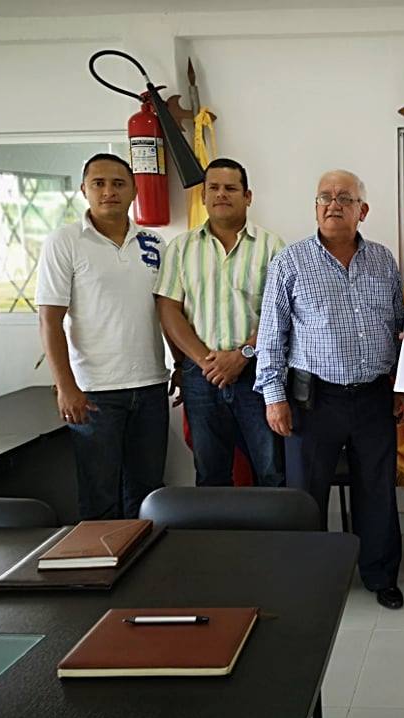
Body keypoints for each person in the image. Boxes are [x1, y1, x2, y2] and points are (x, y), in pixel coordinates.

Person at [255, 169, 404, 610]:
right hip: (312, 400)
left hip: (374, 396)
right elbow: (271, 335)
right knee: (306, 495)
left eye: (345, 197)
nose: (334, 204)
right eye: (325, 197)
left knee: (377, 490)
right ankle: (307, 579)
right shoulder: (290, 262)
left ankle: (380, 575)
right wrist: (274, 397)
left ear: (363, 210)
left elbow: (399, 327)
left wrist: (401, 385)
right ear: (315, 207)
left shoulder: (383, 261)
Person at [36, 153, 169, 520]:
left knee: (148, 495)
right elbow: (49, 321)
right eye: (99, 183)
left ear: (134, 190)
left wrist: (180, 366)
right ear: (84, 190)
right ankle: (100, 558)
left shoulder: (154, 243)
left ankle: (143, 557)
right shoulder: (65, 241)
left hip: (151, 386)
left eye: (118, 183)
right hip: (94, 393)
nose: (109, 191)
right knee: (100, 496)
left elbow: (167, 310)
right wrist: (66, 386)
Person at [155, 158, 285, 488]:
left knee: (271, 470)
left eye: (230, 188)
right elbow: (169, 309)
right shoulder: (180, 248)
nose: (221, 194)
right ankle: (218, 527)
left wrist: (243, 355)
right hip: (202, 377)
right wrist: (205, 362)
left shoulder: (273, 247)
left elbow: (281, 314)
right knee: (210, 475)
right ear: (203, 196)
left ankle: (271, 527)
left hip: (258, 375)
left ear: (248, 196)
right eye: (213, 188)